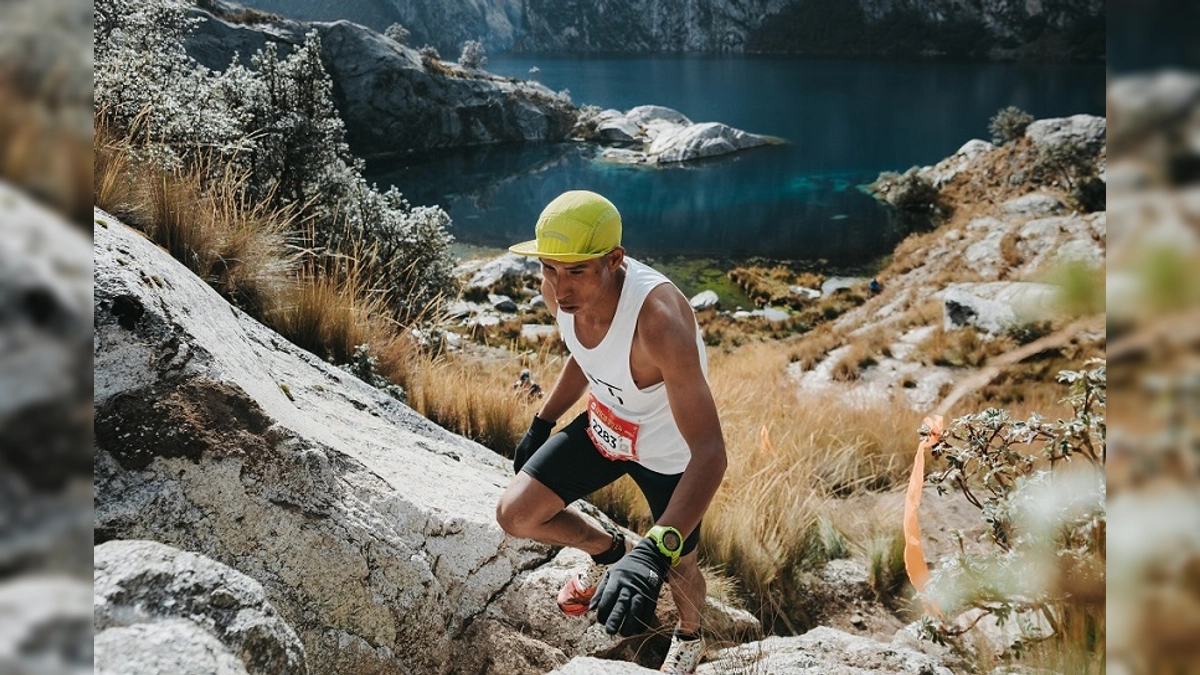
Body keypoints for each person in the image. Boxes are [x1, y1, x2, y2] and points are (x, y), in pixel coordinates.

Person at [495, 190, 727, 675]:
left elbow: (711, 453)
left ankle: (688, 639)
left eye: (576, 271)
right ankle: (610, 550)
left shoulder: (658, 320)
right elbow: (587, 357)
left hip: (668, 454)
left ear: (614, 260)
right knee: (515, 514)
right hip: (604, 429)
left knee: (681, 565)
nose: (560, 289)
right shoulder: (559, 292)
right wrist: (543, 421)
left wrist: (655, 550)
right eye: (549, 268)